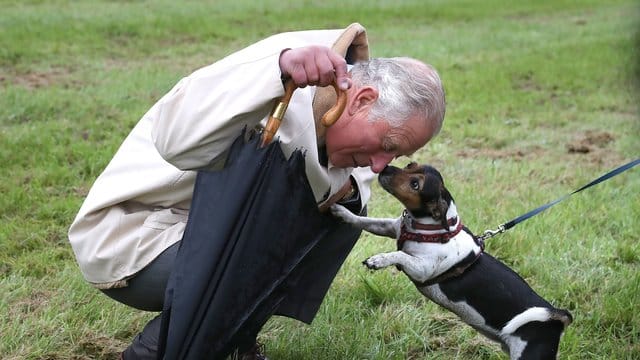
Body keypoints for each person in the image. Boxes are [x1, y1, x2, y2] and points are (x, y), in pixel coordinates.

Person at [68, 23, 445, 359]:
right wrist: (276, 72)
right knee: (274, 235)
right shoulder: (284, 66)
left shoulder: (346, 105)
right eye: (388, 145)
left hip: (205, 233)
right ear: (362, 101)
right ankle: (152, 352)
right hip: (133, 234)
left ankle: (231, 339)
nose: (382, 165)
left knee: (342, 217)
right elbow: (174, 140)